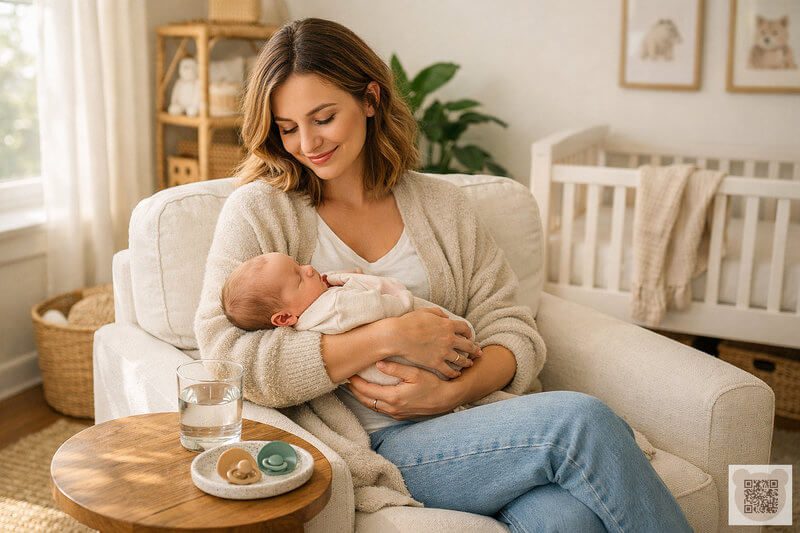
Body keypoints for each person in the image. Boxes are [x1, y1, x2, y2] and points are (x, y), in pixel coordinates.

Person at [194, 17, 693, 532]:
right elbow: (227, 358)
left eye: (323, 117)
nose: (307, 143)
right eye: (288, 127)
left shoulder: (443, 207)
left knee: (567, 520)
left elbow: (511, 326)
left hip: (471, 419)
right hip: (377, 443)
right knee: (581, 421)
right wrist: (387, 335)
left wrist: (454, 390)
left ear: (370, 100)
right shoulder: (259, 211)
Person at [220, 251, 474, 385]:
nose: (308, 268)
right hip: (417, 363)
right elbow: (377, 307)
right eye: (298, 276)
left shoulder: (312, 311)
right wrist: (402, 305)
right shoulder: (334, 308)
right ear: (284, 317)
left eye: (298, 263)